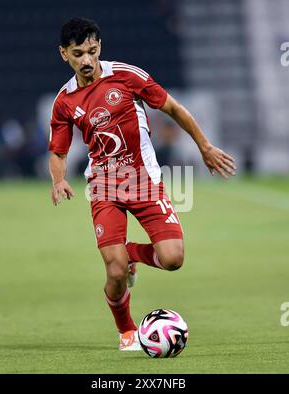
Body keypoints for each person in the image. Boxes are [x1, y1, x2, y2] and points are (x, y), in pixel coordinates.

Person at [48, 18, 236, 351]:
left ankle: (131, 255)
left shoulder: (127, 75)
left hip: (144, 181)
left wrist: (204, 147)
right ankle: (127, 332)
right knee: (115, 271)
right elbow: (59, 150)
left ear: (100, 47)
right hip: (104, 186)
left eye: (92, 51)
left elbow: (173, 108)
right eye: (78, 54)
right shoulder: (64, 102)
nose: (87, 60)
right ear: (64, 54)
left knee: (174, 258)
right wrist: (58, 179)